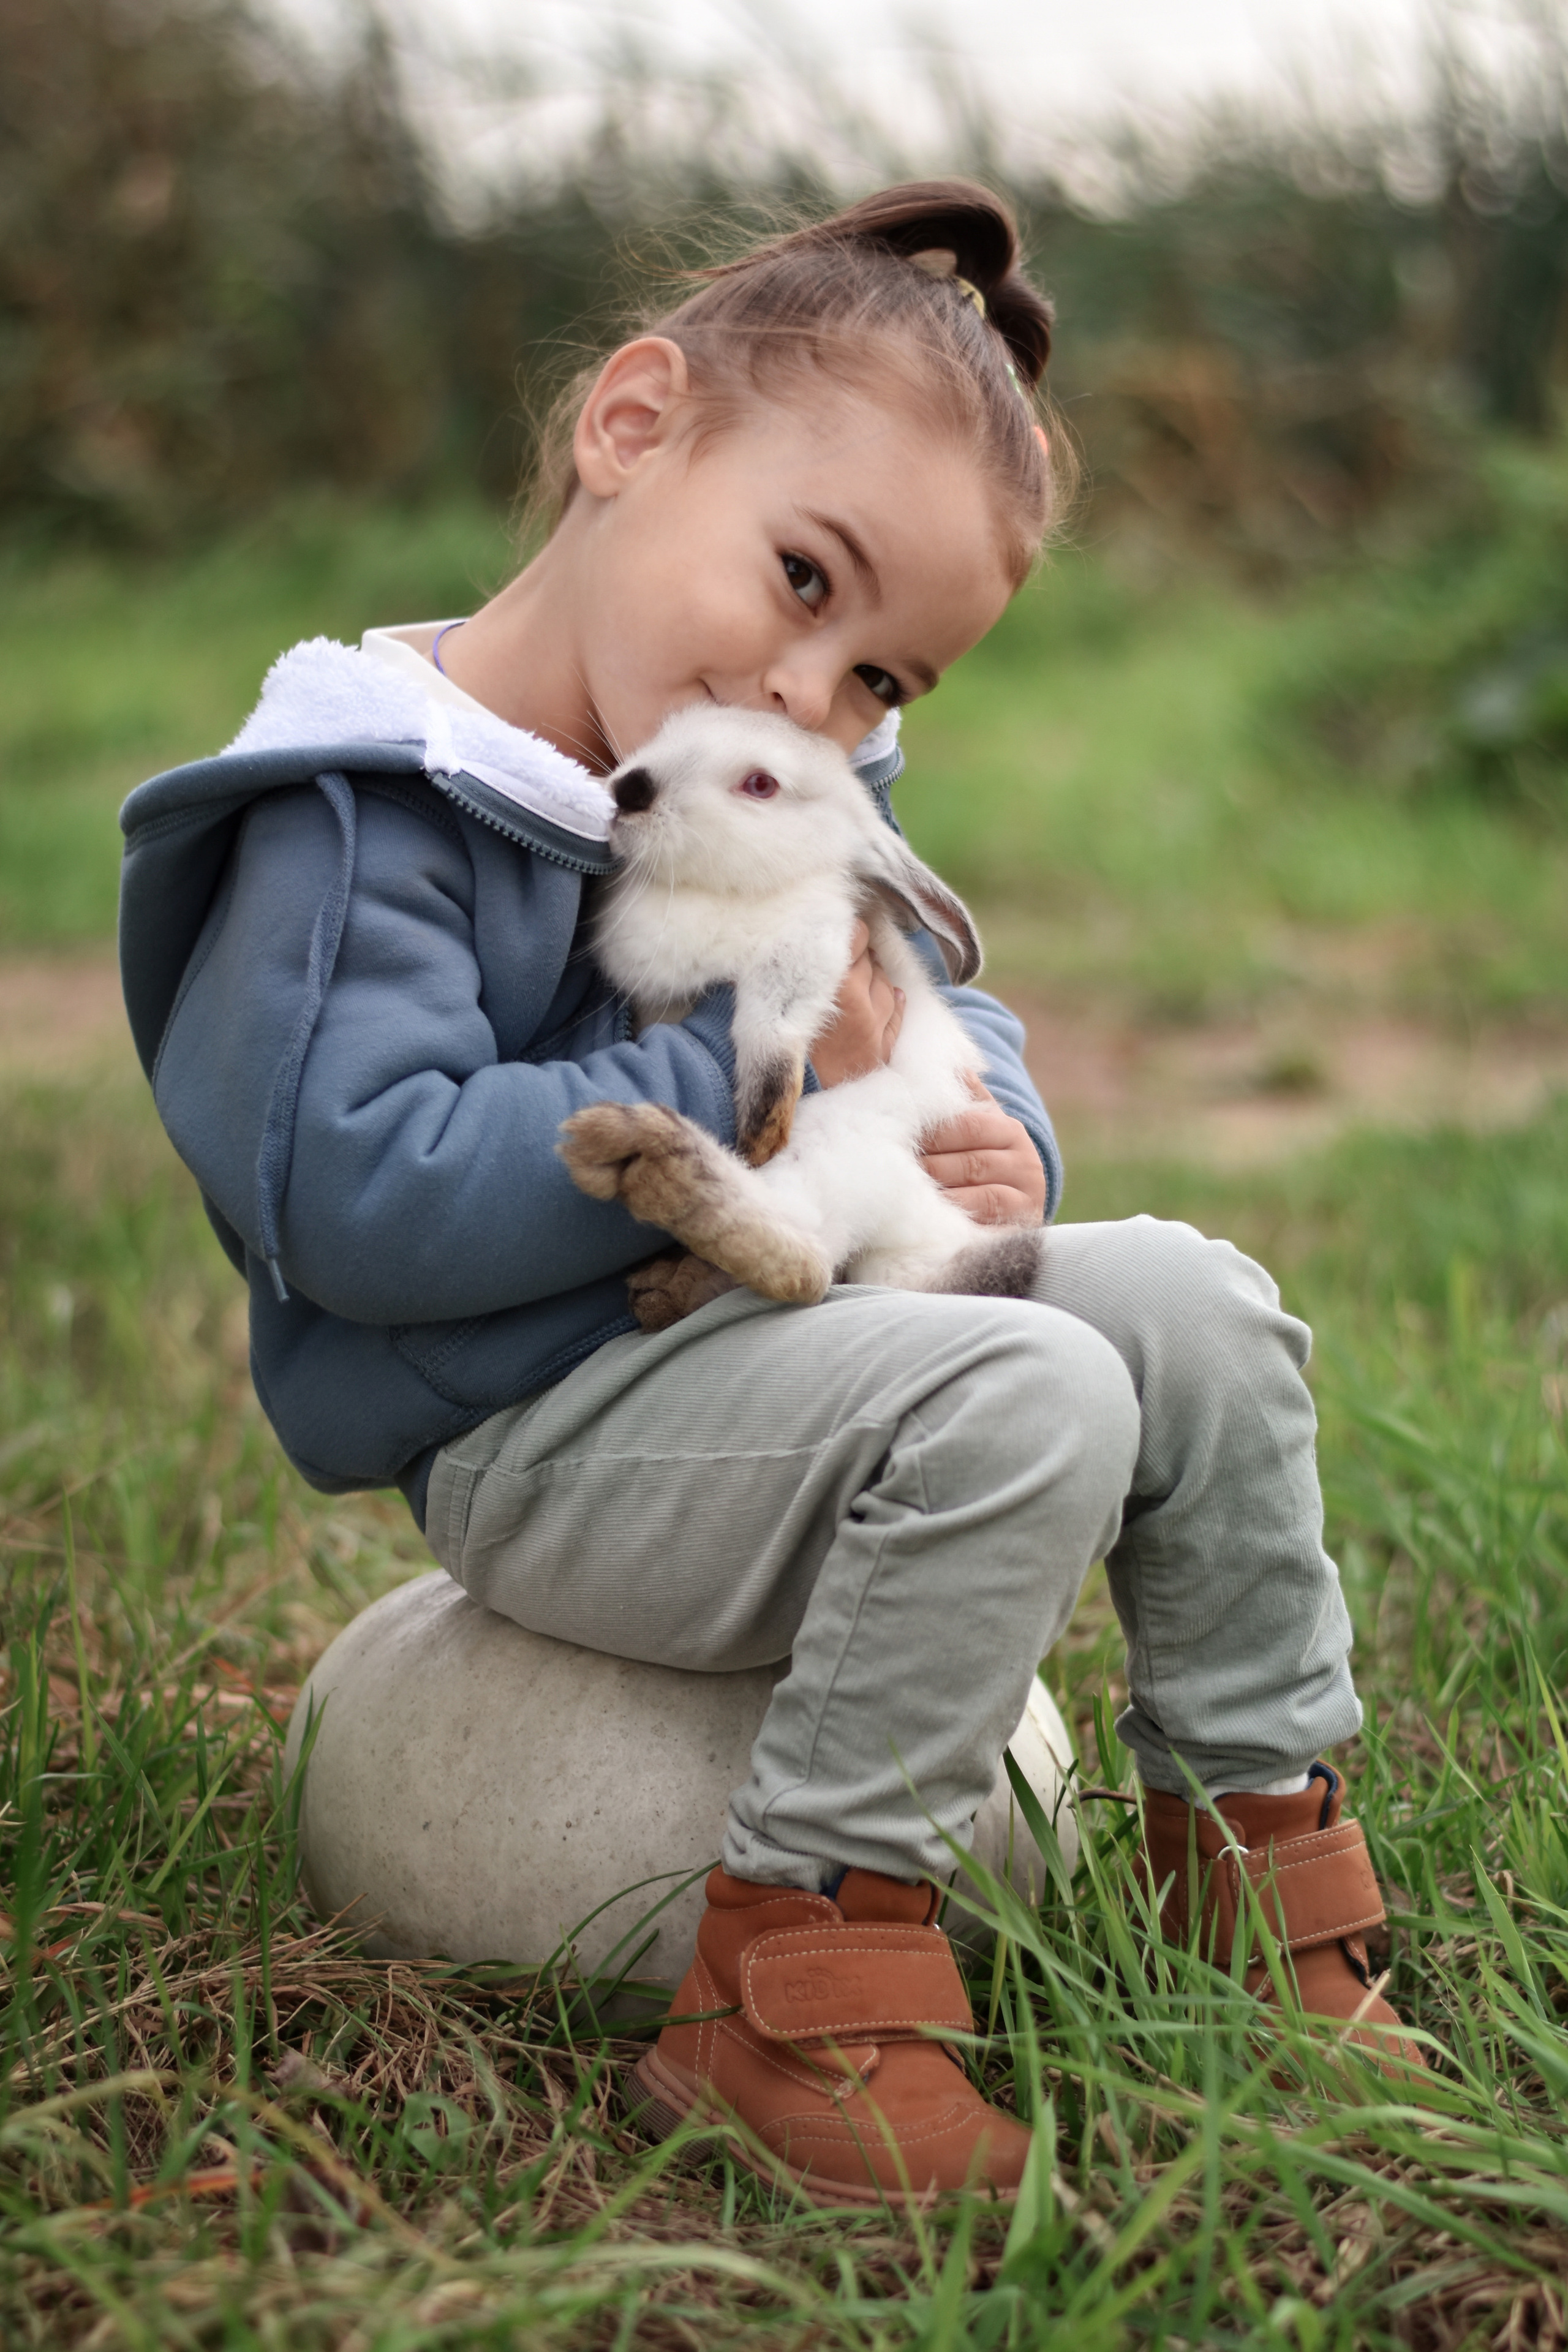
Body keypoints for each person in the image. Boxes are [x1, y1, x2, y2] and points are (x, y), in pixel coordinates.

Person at [118, 179, 1419, 2212]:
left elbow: (926, 1007)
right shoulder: (366, 809)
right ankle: (796, 1991)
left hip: (792, 1317)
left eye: (887, 677)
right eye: (804, 582)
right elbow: (356, 1193)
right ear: (632, 430)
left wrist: (991, 1138)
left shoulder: (768, 761)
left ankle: (1247, 1864)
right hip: (538, 1426)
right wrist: (737, 1088)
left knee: (1193, 1308)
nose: (821, 698)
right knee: (1034, 1399)